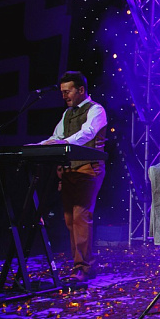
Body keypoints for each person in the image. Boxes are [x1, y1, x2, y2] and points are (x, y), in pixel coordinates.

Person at [39, 71, 107, 282]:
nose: (64, 96)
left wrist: (64, 143)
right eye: (62, 92)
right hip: (69, 170)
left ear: (81, 90)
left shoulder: (96, 110)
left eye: (67, 91)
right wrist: (38, 146)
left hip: (88, 168)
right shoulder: (67, 114)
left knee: (80, 215)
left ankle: (83, 266)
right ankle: (83, 263)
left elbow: (87, 133)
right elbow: (56, 136)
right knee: (70, 218)